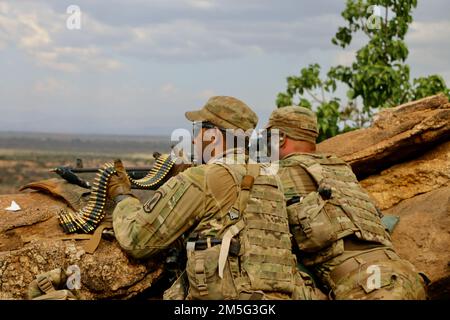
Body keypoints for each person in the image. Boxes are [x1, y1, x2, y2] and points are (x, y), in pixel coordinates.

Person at [107, 96, 324, 300]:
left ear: (213, 136)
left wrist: (122, 196)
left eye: (198, 130)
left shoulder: (205, 177)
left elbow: (136, 239)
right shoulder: (269, 175)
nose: (194, 139)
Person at [265, 106, 428, 300]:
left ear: (281, 138)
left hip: (368, 288)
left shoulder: (277, 174)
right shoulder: (341, 169)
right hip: (407, 277)